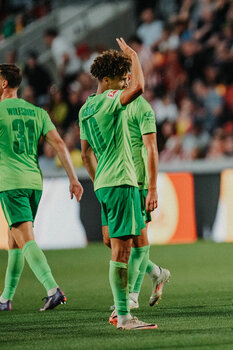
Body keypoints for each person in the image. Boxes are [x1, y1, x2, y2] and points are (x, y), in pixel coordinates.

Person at [79, 39, 157, 330]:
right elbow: (139, 89)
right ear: (106, 80)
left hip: (104, 184)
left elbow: (86, 153)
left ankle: (123, 311)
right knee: (122, 251)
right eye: (122, 75)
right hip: (122, 182)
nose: (127, 79)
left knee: (117, 247)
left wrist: (99, 180)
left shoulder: (86, 108)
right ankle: (124, 316)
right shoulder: (108, 101)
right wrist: (135, 57)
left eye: (128, 73)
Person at [0, 64, 83, 311]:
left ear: (4, 83)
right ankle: (5, 299)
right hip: (35, 183)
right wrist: (73, 178)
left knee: (25, 240)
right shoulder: (38, 112)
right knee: (14, 240)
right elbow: (59, 143)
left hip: (11, 183)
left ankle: (52, 289)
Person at [107, 87, 171, 322]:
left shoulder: (142, 107)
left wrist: (151, 187)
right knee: (112, 241)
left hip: (137, 180)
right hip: (116, 178)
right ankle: (157, 273)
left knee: (136, 241)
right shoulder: (112, 105)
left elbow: (151, 147)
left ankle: (131, 296)